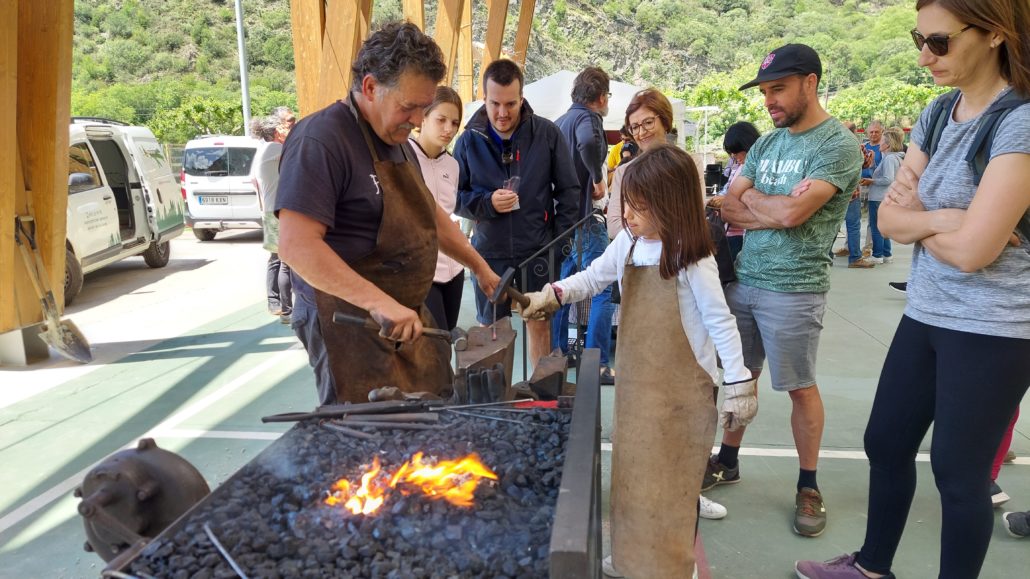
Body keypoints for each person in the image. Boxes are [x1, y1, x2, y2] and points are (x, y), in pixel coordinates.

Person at [796, 0, 1030, 576]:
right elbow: (888, 219)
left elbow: (974, 253)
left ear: (995, 33)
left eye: (940, 42)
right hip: (926, 310)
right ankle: (872, 566)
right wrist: (947, 218)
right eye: (918, 40)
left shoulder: (1019, 120)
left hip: (995, 324)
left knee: (959, 474)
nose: (925, 56)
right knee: (886, 442)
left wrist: (925, 220)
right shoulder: (938, 111)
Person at [516, 145, 756, 579]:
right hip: (636, 387)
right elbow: (594, 276)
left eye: (640, 207)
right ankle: (630, 557)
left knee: (672, 482)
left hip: (683, 393)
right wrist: (553, 294)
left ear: (672, 205)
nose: (627, 215)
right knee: (633, 476)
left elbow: (720, 321)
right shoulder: (628, 242)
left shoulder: (692, 257)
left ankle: (673, 566)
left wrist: (739, 383)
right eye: (627, 203)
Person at [276, 22, 499, 406]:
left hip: (404, 317)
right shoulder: (321, 140)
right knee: (364, 430)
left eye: (423, 108)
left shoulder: (398, 143)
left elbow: (430, 216)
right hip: (349, 322)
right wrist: (379, 303)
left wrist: (479, 267)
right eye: (408, 107)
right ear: (370, 87)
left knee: (430, 411)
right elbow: (296, 246)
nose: (417, 120)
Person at [712, 43, 863, 538]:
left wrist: (763, 204)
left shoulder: (836, 145)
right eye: (764, 92)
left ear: (810, 83)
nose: (769, 101)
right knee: (740, 378)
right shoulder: (767, 144)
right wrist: (773, 208)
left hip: (795, 290)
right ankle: (727, 460)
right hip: (745, 280)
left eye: (778, 89)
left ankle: (808, 485)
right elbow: (729, 204)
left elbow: (794, 213)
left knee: (800, 387)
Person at [453, 59, 579, 365]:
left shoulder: (547, 134)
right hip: (488, 255)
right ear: (484, 99)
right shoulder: (468, 141)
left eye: (510, 103)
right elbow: (453, 197)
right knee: (492, 333)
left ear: (522, 98)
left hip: (539, 252)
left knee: (539, 324)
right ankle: (499, 395)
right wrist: (486, 203)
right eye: (495, 103)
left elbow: (569, 191)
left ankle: (539, 392)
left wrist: (557, 244)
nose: (502, 113)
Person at [552, 67, 616, 382]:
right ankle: (598, 363)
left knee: (561, 289)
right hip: (584, 219)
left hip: (562, 224)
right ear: (601, 97)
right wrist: (597, 177)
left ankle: (557, 354)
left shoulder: (560, 122)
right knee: (603, 287)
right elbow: (589, 143)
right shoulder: (589, 119)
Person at [410, 86, 466, 331]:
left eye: (454, 123)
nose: (448, 129)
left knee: (446, 337)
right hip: (421, 272)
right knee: (434, 342)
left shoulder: (452, 165)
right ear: (423, 117)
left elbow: (448, 211)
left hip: (454, 269)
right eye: (441, 120)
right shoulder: (403, 158)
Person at [606, 88, 675, 241]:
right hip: (638, 254)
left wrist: (642, 228)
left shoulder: (687, 164)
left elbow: (691, 219)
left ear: (665, 121)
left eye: (648, 122)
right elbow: (614, 227)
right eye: (635, 127)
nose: (642, 132)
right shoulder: (624, 171)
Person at [250, 116, 290, 323]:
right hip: (277, 212)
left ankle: (275, 302)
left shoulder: (263, 150)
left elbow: (253, 180)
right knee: (285, 262)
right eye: (283, 126)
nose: (287, 129)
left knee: (276, 259)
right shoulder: (275, 149)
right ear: (275, 132)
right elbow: (299, 152)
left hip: (270, 210)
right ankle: (286, 309)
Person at [707, 121, 762, 262]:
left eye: (736, 151)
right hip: (727, 231)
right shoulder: (739, 166)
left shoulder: (761, 169)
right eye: (731, 152)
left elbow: (759, 202)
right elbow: (727, 189)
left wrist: (727, 200)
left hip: (744, 234)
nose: (733, 155)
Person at [866, 127, 905, 264]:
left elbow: (888, 179)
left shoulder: (889, 159)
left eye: (882, 141)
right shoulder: (894, 158)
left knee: (876, 226)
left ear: (888, 144)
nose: (879, 143)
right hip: (885, 196)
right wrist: (872, 166)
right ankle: (886, 253)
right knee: (884, 226)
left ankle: (877, 255)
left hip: (878, 197)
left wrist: (871, 181)